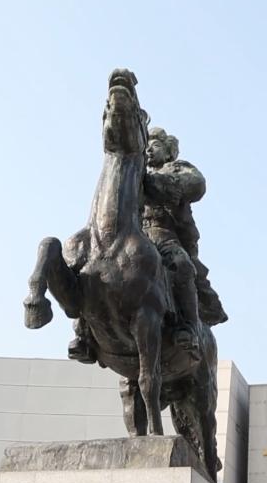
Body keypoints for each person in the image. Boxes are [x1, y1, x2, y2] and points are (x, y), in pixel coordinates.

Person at [67, 127, 226, 364]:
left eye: (155, 145)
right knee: (92, 264)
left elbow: (196, 185)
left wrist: (155, 183)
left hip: (163, 235)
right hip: (130, 234)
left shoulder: (176, 168)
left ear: (169, 151)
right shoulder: (133, 171)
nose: (149, 149)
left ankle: (189, 328)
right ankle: (84, 333)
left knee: (181, 265)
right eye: (146, 145)